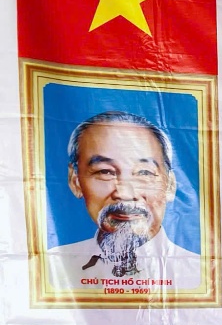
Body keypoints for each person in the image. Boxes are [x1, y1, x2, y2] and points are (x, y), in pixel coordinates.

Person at [46, 111, 201, 291]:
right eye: (105, 172)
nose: (125, 194)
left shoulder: (201, 275)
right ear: (75, 181)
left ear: (170, 185)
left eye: (144, 172)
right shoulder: (50, 269)